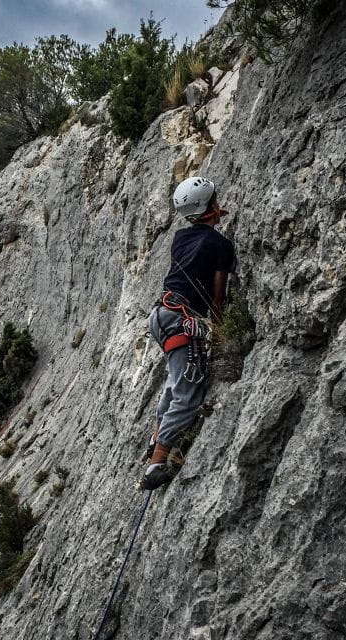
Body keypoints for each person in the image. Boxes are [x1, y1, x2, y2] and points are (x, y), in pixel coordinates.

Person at [143, 176, 235, 490]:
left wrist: (209, 218)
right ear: (211, 206)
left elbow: (197, 248)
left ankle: (156, 434)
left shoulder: (181, 237)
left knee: (175, 378)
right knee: (189, 393)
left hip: (161, 314)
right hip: (183, 319)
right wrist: (221, 331)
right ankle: (157, 463)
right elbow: (217, 296)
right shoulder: (221, 245)